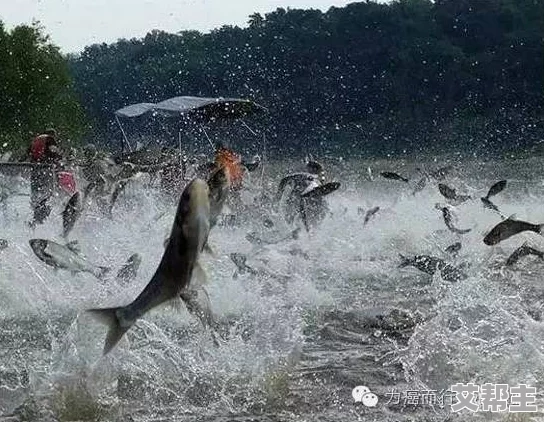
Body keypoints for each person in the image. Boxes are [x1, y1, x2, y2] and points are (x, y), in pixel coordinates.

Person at [28, 129, 63, 226]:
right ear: (53, 135)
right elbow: (55, 154)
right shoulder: (50, 140)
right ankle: (42, 222)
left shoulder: (36, 140)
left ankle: (34, 221)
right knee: (47, 197)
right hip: (46, 172)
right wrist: (60, 159)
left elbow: (27, 154)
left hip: (34, 172)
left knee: (35, 196)